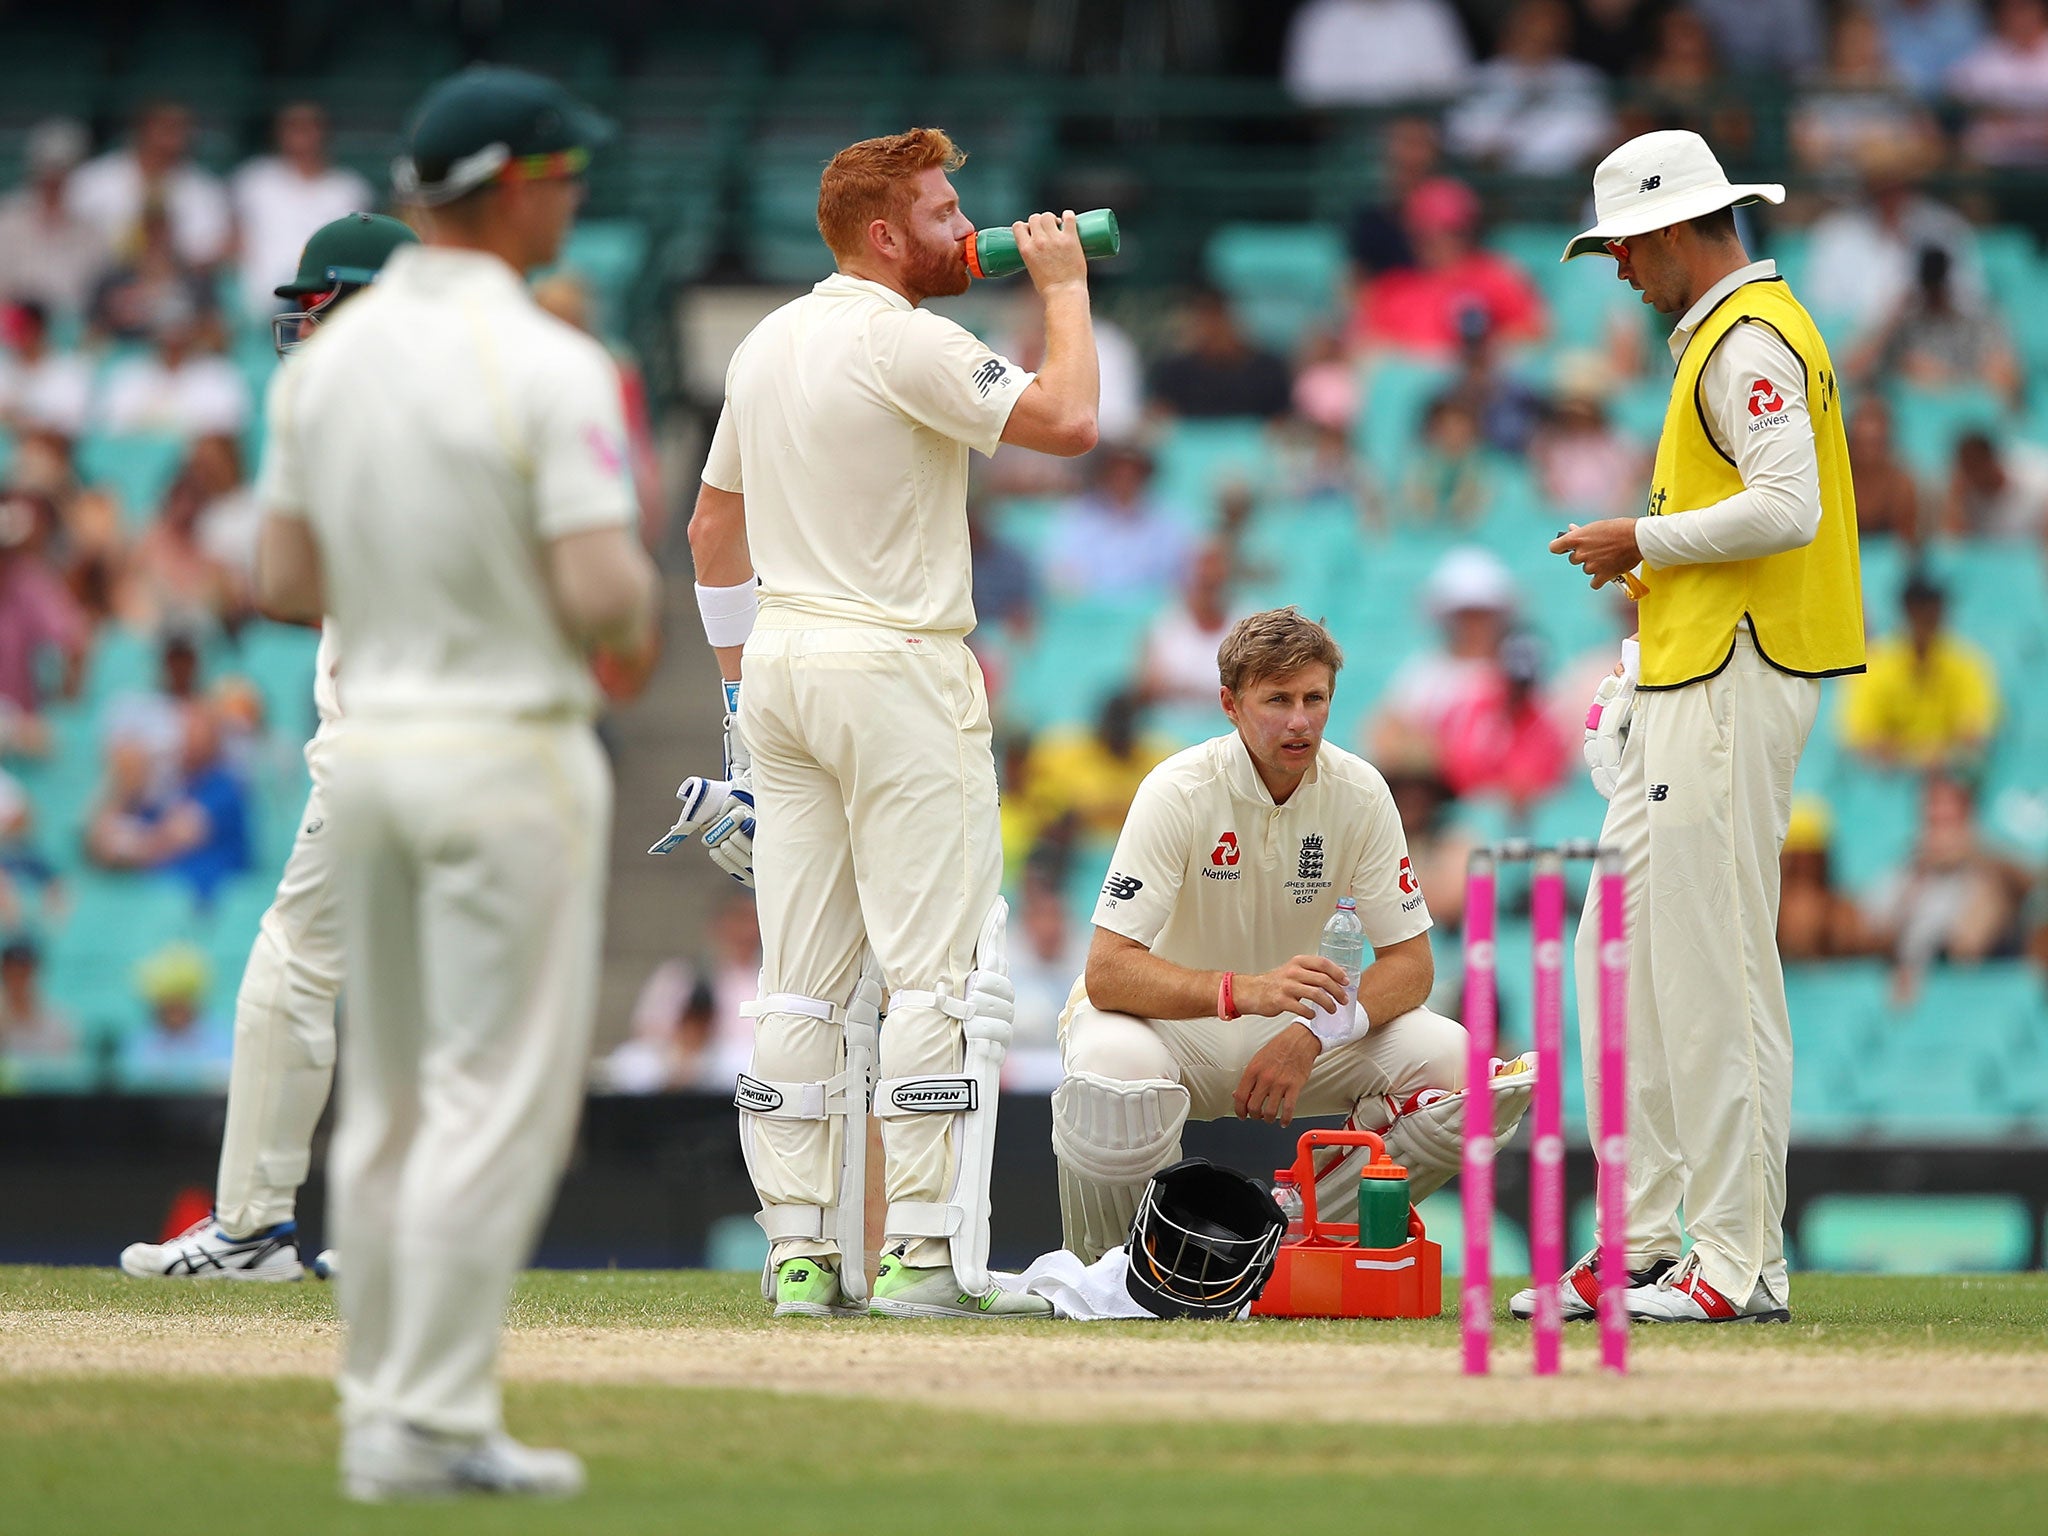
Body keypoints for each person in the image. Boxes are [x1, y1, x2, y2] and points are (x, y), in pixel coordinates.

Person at [250, 69, 655, 1500]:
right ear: (516, 186)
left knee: (397, 1102)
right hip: (504, 753)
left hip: (371, 749)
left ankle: (380, 1412)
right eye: (565, 178)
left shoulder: (326, 365)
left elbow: (284, 577)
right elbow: (607, 595)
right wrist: (621, 605)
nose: (576, 201)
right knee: (500, 1097)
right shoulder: (546, 359)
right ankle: (432, 1414)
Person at [670, 127, 1099, 1322]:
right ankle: (916, 1255)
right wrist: (1062, 290)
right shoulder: (906, 339)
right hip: (895, 663)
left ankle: (800, 1257)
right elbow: (1067, 423)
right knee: (938, 979)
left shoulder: (765, 343)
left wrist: (734, 701)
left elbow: (711, 536)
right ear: (881, 234)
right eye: (943, 211)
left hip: (780, 666)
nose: (967, 230)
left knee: (799, 985)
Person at [1547, 130, 1866, 1323]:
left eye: (1626, 246)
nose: (1618, 271)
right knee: (1617, 963)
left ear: (1680, 229)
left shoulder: (1746, 341)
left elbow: (1788, 506)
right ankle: (1635, 1248)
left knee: (1712, 973)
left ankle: (1735, 1263)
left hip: (1734, 683)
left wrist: (1641, 538)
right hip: (1686, 679)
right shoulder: (1724, 341)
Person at [116, 214, 420, 1290]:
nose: (299, 321)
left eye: (320, 298)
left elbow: (286, 590)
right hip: (467, 737)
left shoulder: (365, 411)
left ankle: (249, 1226)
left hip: (396, 732)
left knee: (293, 966)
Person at [1049, 608, 1531, 1262]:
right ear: (1230, 704)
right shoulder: (1177, 790)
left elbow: (1412, 966)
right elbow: (1108, 973)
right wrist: (1244, 991)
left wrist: (1312, 1035)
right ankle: (1112, 1273)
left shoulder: (1360, 792)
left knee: (1456, 1069)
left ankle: (1289, 1243)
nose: (1299, 720)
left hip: (1294, 1032)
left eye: (1314, 699)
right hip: (1171, 1027)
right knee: (1114, 1070)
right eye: (1277, 700)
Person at [1868, 773, 2034, 1003]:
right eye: (1934, 816)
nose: (1941, 827)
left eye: (1950, 817)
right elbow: (1874, 924)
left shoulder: (1990, 868)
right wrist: (1919, 878)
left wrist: (1971, 851)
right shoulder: (1906, 871)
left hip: (1971, 973)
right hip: (1910, 971)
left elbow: (2032, 881)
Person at [1350, 178, 1547, 359]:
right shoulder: (1394, 287)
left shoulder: (1493, 275)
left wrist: (1476, 354)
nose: (1438, 241)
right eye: (1425, 233)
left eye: (1451, 232)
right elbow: (1364, 344)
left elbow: (1533, 332)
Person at [1841, 571, 1999, 771]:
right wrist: (1928, 754)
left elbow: (1974, 735)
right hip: (1889, 783)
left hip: (1949, 781)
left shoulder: (1967, 664)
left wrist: (1903, 750)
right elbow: (1861, 740)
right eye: (1919, 610)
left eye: (1932, 610)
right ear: (1906, 612)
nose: (1926, 618)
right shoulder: (1877, 666)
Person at [229, 103, 374, 322]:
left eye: (310, 127)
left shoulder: (350, 188)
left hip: (324, 306)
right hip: (259, 306)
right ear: (279, 133)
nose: (303, 135)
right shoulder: (253, 179)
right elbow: (233, 242)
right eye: (294, 126)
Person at [1446, 0, 1615, 175]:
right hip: (1498, 191)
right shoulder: (1480, 80)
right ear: (1512, 26)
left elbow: (1598, 144)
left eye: (1550, 23)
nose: (1541, 31)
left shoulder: (1584, 79)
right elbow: (1467, 145)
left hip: (1569, 188)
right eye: (1532, 22)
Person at [67, 101, 232, 270]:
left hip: (176, 282)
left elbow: (210, 250)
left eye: (181, 129)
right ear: (142, 130)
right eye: (165, 128)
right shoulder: (94, 180)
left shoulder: (206, 189)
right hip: (99, 278)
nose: (172, 139)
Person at [0, 119, 107, 318]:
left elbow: (95, 292)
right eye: (48, 166)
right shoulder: (7, 218)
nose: (54, 177)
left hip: (74, 328)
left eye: (62, 168)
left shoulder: (91, 228)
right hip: (14, 326)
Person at [1282, 0, 1473, 107]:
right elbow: (1308, 93)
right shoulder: (1322, 17)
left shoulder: (1429, 13)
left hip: (1418, 139)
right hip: (1346, 140)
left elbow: (1453, 82)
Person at [1941, 429, 2048, 538]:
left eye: (1975, 467)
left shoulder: (2037, 487)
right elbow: (1954, 545)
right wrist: (1955, 500)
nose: (1972, 477)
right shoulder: (1965, 495)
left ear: (1991, 461)